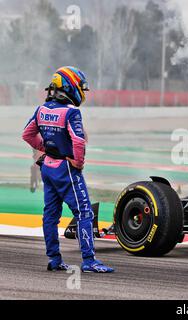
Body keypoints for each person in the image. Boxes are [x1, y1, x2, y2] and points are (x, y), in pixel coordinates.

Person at [22, 66, 114, 273]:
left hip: (48, 167)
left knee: (50, 215)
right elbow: (79, 141)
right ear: (70, 86)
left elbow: (27, 135)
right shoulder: (72, 112)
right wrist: (78, 162)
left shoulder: (41, 110)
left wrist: (46, 148)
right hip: (66, 169)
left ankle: (54, 259)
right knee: (84, 213)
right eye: (81, 87)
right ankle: (89, 260)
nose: (83, 92)